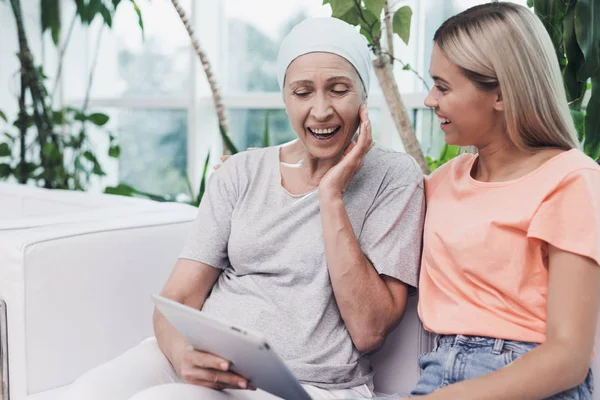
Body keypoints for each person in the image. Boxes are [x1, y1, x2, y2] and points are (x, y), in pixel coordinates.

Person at [62, 17, 425, 400]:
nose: (321, 110)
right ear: (285, 97)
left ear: (363, 97)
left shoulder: (394, 177)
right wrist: (185, 354)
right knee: (82, 393)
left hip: (307, 383)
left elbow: (369, 330)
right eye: (303, 92)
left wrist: (331, 195)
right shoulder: (241, 172)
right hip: (207, 357)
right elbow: (177, 301)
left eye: (338, 90)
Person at [403, 2, 600, 399]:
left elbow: (568, 357)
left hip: (530, 382)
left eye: (443, 86)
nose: (429, 99)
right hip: (437, 371)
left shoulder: (571, 181)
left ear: (502, 94)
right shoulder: (441, 184)